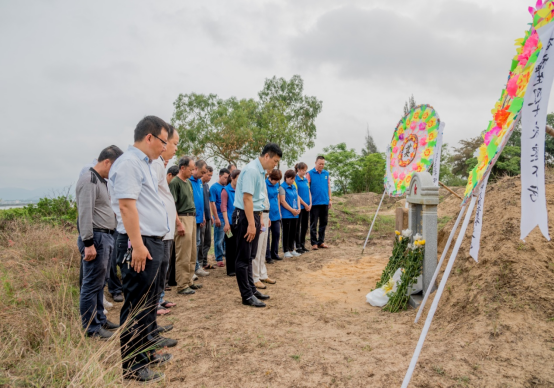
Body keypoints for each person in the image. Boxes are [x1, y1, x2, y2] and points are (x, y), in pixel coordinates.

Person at [108, 116, 173, 383]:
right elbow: (126, 207)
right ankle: (134, 367)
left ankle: (145, 354)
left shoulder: (145, 164)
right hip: (139, 244)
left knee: (147, 305)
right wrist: (137, 245)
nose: (164, 147)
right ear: (149, 137)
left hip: (150, 241)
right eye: (163, 141)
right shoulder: (129, 163)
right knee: (136, 306)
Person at [76, 145, 123, 340]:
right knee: (91, 285)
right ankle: (92, 328)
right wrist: (88, 243)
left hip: (105, 236)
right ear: (107, 162)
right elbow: (85, 213)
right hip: (95, 237)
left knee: (99, 284)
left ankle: (100, 319)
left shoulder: (101, 180)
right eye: (115, 167)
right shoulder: (89, 179)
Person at [233, 143, 282, 307]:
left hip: (254, 215)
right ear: (266, 156)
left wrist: (259, 218)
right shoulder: (252, 170)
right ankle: (246, 296)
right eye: (274, 160)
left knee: (250, 256)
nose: (275, 164)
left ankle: (252, 290)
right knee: (243, 258)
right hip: (244, 217)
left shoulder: (261, 172)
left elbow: (257, 199)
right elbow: (247, 199)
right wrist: (251, 224)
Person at [151, 126, 179, 316]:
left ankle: (159, 298)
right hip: (159, 230)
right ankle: (155, 303)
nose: (175, 148)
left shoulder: (159, 165)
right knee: (158, 269)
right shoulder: (154, 165)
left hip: (166, 229)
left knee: (164, 267)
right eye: (174, 144)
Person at [170, 156, 202, 296]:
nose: (193, 171)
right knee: (183, 253)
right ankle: (182, 285)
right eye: (191, 168)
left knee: (192, 253)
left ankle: (189, 281)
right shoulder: (175, 183)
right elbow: (172, 206)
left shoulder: (188, 182)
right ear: (182, 168)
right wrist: (178, 224)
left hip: (192, 218)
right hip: (182, 219)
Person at [252, 171, 276, 289]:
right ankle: (255, 277)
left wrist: (268, 217)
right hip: (259, 215)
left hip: (266, 215)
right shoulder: (256, 180)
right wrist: (261, 217)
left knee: (263, 247)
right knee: (257, 247)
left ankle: (262, 273)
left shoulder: (263, 181)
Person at [307, 156, 332, 250]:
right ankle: (314, 243)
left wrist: (330, 199)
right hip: (314, 203)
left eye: (323, 164)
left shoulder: (326, 173)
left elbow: (329, 186)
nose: (321, 165)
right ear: (315, 163)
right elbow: (307, 188)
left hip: (325, 202)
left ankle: (321, 241)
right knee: (313, 223)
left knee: (323, 223)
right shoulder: (309, 173)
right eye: (320, 164)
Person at [190, 160, 209, 278]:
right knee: (191, 244)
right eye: (202, 172)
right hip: (190, 217)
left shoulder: (200, 182)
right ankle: (191, 269)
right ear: (195, 168)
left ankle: (196, 267)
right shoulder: (188, 181)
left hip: (199, 217)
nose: (203, 174)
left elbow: (200, 199)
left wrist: (202, 216)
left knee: (197, 243)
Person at [210, 168, 230, 268]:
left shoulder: (227, 187)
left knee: (228, 238)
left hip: (227, 219)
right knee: (219, 239)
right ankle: (219, 258)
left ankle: (228, 256)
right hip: (220, 218)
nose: (226, 179)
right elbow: (212, 204)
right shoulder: (214, 188)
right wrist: (216, 218)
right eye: (225, 177)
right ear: (220, 176)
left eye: (228, 178)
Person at [222, 169, 240, 276]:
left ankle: (238, 267)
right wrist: (227, 223)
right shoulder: (226, 190)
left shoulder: (241, 190)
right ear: (232, 178)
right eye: (238, 178)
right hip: (230, 223)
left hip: (239, 223)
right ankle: (230, 269)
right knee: (230, 246)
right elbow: (223, 207)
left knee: (238, 246)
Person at [280, 169, 301, 258]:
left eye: (294, 179)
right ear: (286, 178)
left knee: (293, 232)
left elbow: (297, 198)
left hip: (295, 213)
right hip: (287, 214)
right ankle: (285, 250)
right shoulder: (282, 187)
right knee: (286, 232)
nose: (293, 180)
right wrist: (292, 210)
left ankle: (292, 249)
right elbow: (283, 201)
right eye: (291, 179)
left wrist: (299, 208)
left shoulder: (293, 187)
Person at [265, 169, 282, 264]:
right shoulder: (264, 184)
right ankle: (267, 256)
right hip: (267, 213)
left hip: (276, 213)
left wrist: (279, 211)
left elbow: (278, 197)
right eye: (275, 180)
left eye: (278, 180)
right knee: (267, 236)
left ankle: (274, 253)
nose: (276, 182)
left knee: (276, 234)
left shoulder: (277, 185)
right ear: (270, 177)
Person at [198, 166, 214, 270]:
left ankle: (205, 262)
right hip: (201, 218)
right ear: (203, 173)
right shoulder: (198, 184)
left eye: (211, 176)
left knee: (208, 241)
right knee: (200, 241)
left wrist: (211, 215)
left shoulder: (207, 186)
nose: (209, 177)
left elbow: (209, 201)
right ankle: (198, 264)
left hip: (208, 217)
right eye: (208, 175)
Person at [294, 162, 312, 253]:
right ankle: (297, 246)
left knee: (305, 226)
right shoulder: (295, 180)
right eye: (302, 170)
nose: (304, 172)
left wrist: (310, 204)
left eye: (305, 170)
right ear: (298, 170)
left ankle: (302, 244)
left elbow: (309, 192)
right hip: (300, 207)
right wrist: (304, 204)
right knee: (298, 227)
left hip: (307, 207)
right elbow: (297, 195)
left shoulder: (305, 180)